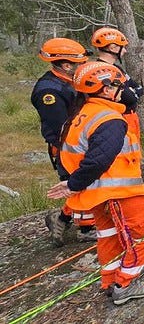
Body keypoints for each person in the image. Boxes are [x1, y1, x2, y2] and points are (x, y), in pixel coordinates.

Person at [47, 61, 144, 305]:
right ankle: (125, 284)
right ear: (106, 89)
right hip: (117, 191)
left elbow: (68, 153)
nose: (125, 89)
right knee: (143, 232)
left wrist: (72, 182)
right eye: (120, 84)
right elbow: (99, 159)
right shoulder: (109, 119)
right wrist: (74, 184)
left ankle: (109, 279)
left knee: (109, 235)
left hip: (100, 192)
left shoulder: (82, 114)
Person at [32, 37, 96, 246]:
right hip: (67, 146)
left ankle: (60, 219)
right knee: (81, 183)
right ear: (67, 65)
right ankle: (85, 229)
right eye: (79, 63)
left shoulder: (68, 82)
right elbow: (61, 127)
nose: (83, 66)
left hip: (81, 140)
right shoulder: (49, 91)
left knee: (86, 182)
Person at [90, 27, 144, 139]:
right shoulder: (101, 73)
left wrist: (132, 91)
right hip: (117, 120)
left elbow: (138, 87)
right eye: (122, 47)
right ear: (113, 48)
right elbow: (130, 98)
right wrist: (132, 92)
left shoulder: (116, 69)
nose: (125, 50)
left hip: (128, 118)